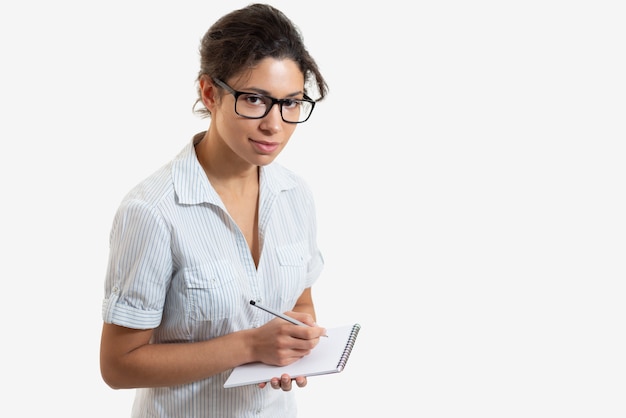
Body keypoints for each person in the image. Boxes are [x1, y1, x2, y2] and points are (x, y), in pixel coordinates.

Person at [99, 4, 329, 417]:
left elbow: (300, 303)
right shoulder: (152, 211)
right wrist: (250, 345)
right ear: (210, 93)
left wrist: (296, 342)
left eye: (291, 103)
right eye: (255, 99)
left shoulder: (296, 194)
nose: (275, 125)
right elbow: (118, 365)